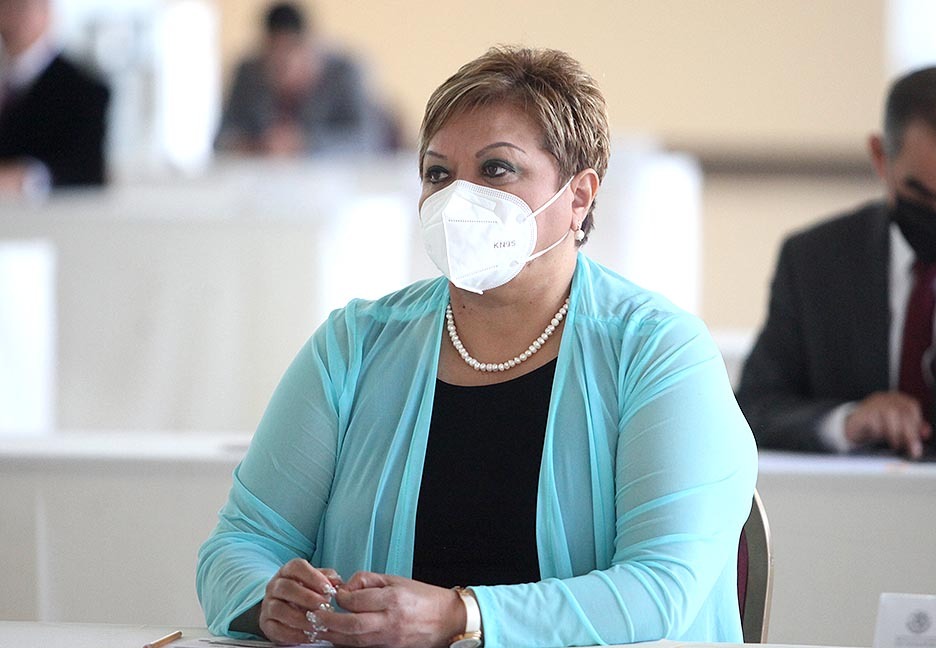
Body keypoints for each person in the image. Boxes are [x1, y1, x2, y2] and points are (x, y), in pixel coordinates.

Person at [197, 46, 756, 648]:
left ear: (579, 197)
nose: (457, 199)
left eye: (496, 169)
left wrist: (459, 616)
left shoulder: (657, 351)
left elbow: (660, 587)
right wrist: (269, 601)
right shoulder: (355, 344)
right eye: (438, 174)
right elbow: (241, 545)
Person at [737, 66, 936, 460]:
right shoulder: (815, 261)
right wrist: (848, 421)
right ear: (880, 157)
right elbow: (753, 410)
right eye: (921, 196)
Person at [216, 1, 390, 157]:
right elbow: (221, 139)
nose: (281, 64)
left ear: (309, 47)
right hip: (263, 178)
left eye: (288, 53)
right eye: (273, 57)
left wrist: (305, 144)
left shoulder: (345, 73)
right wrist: (256, 145)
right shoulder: (248, 74)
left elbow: (368, 139)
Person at [0, 0, 109, 196]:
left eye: (21, 7)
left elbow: (88, 170)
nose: (10, 17)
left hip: (43, 211)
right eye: (4, 7)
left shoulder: (84, 88)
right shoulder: (6, 77)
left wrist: (26, 178)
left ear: (47, 12)